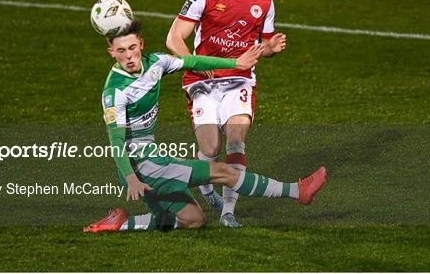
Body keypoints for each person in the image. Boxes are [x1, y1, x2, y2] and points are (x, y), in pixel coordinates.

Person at [84, 20, 326, 232]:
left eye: (133, 47)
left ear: (141, 44)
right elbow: (115, 142)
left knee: (193, 219)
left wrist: (235, 63)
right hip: (141, 166)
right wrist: (132, 179)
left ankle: (121, 223)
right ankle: (298, 191)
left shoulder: (156, 62)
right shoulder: (114, 92)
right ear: (111, 52)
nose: (129, 56)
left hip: (151, 158)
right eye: (121, 50)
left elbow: (193, 60)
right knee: (224, 172)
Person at [166, 0, 286, 227]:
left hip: (239, 80)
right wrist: (197, 64)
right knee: (209, 148)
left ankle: (228, 212)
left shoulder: (263, 2)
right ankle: (207, 187)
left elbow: (264, 47)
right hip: (203, 81)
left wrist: (272, 48)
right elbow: (174, 38)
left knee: (236, 139)